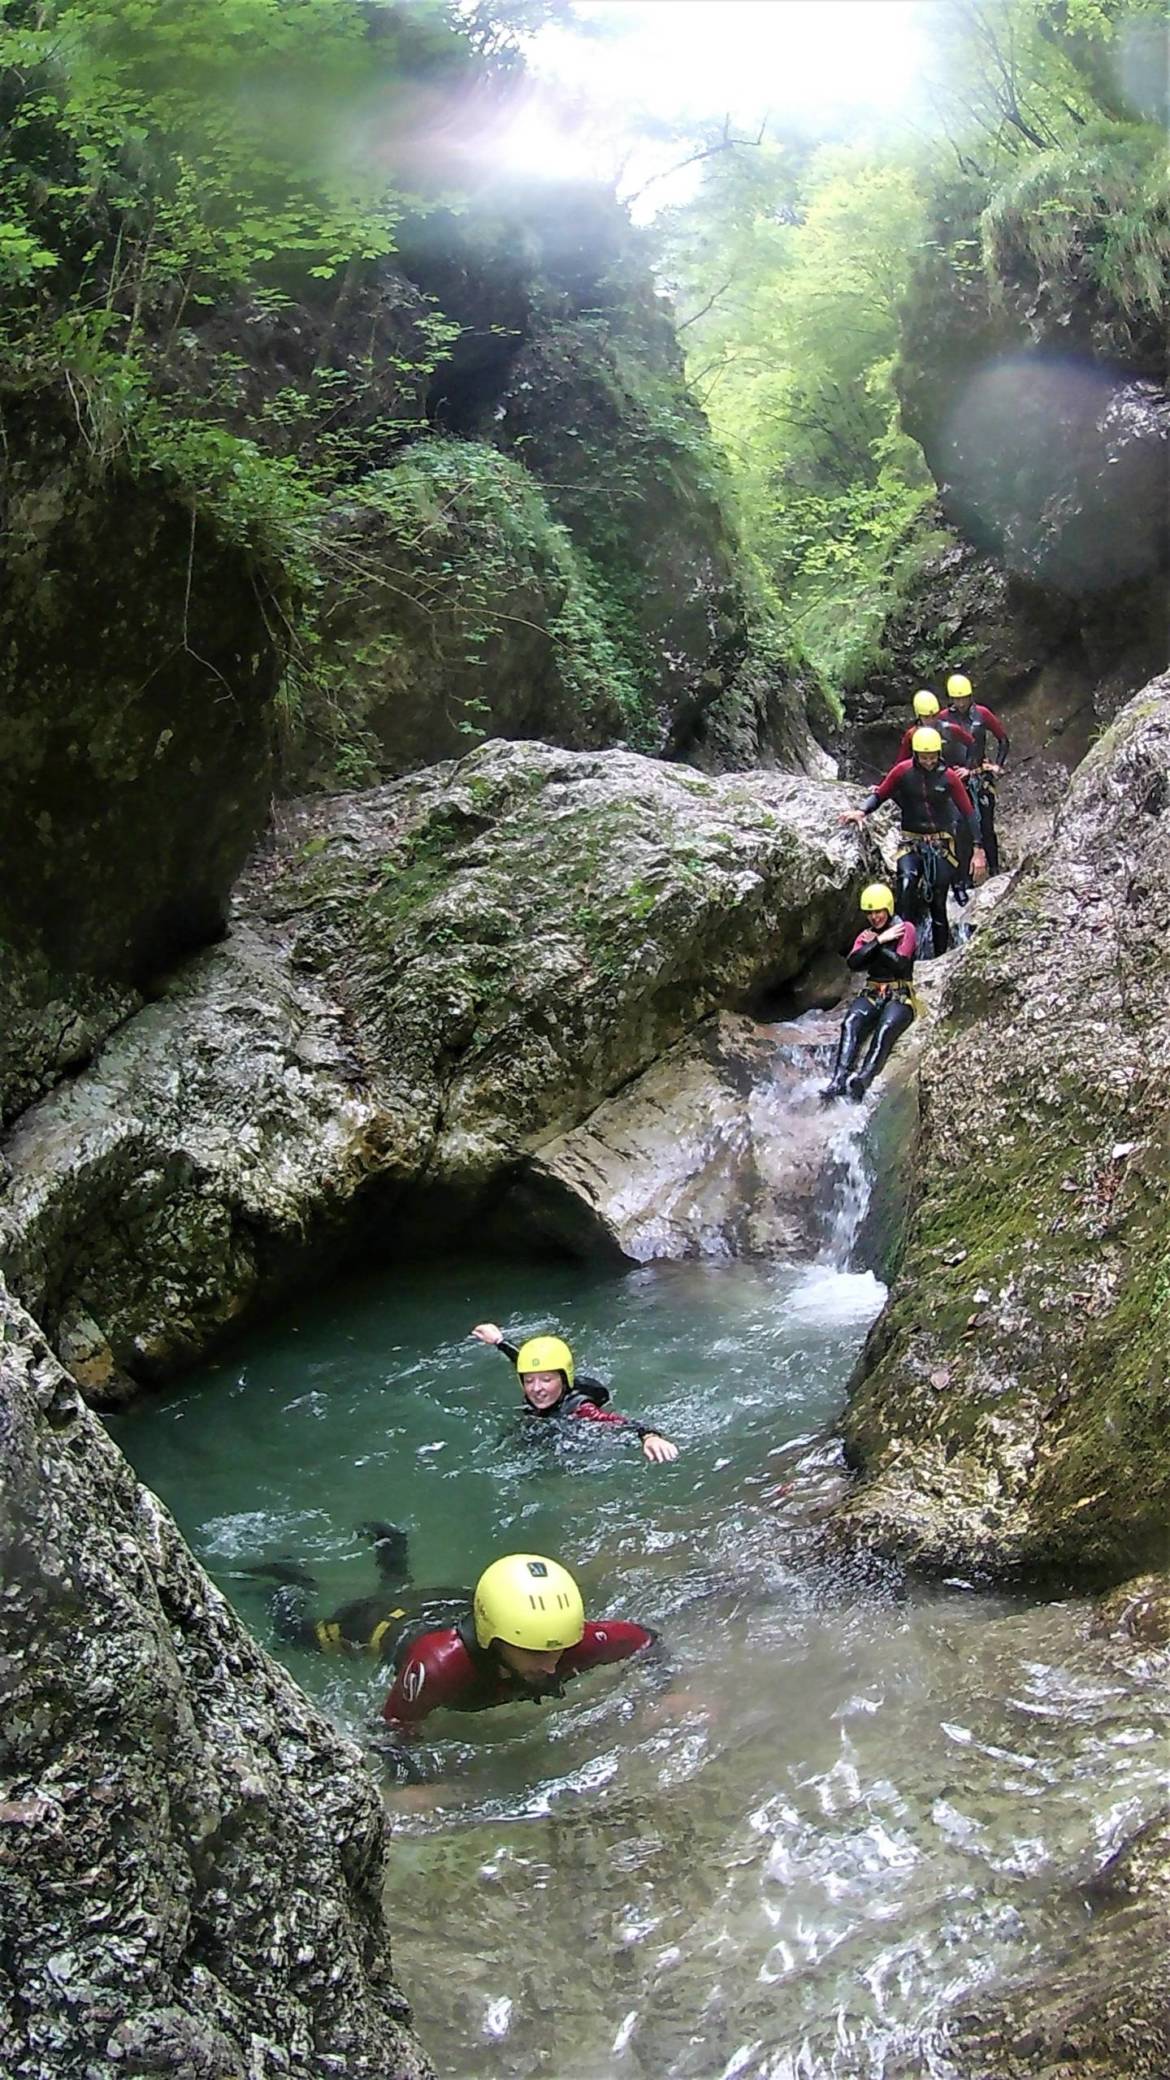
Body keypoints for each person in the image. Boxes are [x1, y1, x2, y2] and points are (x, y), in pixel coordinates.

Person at [380, 1552, 658, 1737]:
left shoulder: (574, 1643)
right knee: (389, 1597)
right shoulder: (439, 1665)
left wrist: (665, 1691)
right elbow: (392, 1726)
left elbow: (647, 1639)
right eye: (534, 1651)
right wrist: (411, 1781)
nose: (550, 1667)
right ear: (495, 1640)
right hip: (388, 1625)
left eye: (556, 1648)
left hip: (463, 1602)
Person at [838, 725, 985, 957]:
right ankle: (902, 955)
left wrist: (978, 849)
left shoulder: (948, 777)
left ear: (939, 753)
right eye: (924, 757)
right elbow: (880, 794)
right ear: (915, 754)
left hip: (940, 844)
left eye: (932, 756)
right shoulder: (902, 771)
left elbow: (968, 812)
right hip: (911, 841)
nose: (928, 761)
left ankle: (939, 958)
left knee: (938, 901)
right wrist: (861, 812)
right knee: (905, 887)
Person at [471, 1324, 680, 1463]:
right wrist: (499, 1341)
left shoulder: (581, 1409)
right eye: (528, 1381)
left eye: (546, 1380)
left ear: (563, 1380)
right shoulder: (537, 1386)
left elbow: (622, 1422)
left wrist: (650, 1437)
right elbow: (522, 1361)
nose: (536, 1388)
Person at [822, 882, 918, 1102]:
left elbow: (901, 965)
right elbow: (854, 962)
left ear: (888, 909)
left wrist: (877, 945)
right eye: (870, 913)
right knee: (850, 1022)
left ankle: (863, 1080)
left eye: (878, 912)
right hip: (873, 993)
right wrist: (879, 941)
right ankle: (838, 1078)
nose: (875, 917)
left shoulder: (906, 930)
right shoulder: (867, 935)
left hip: (900, 995)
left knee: (884, 1030)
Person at [938, 671, 1010, 874]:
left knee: (986, 824)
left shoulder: (982, 714)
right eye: (956, 698)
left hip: (979, 775)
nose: (960, 702)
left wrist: (997, 764)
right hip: (956, 779)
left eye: (963, 698)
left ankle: (995, 870)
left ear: (970, 696)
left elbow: (1002, 739)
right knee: (959, 828)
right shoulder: (944, 718)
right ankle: (963, 877)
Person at [898, 690, 975, 770]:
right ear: (919, 716)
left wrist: (967, 768)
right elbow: (901, 762)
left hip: (950, 773)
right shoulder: (912, 735)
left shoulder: (951, 729)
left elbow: (973, 744)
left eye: (934, 716)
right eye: (926, 717)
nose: (931, 720)